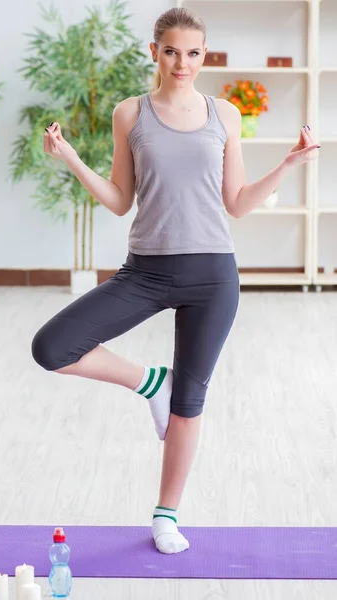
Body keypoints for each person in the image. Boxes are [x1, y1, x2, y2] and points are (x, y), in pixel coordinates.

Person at [32, 7, 320, 555]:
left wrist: (287, 165)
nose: (181, 62)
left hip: (213, 275)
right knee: (51, 346)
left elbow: (235, 204)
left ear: (203, 56)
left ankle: (166, 515)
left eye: (192, 53)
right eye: (171, 51)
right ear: (154, 53)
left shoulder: (225, 115)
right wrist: (70, 157)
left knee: (190, 401)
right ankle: (149, 383)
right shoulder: (130, 114)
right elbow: (120, 201)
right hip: (146, 270)